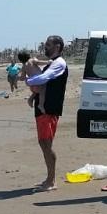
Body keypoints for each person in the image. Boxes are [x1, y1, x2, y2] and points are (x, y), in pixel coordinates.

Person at [25, 36, 68, 191]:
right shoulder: (52, 63)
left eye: (48, 45)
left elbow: (44, 79)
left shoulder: (59, 63)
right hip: (42, 108)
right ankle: (49, 179)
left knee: (46, 143)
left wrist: (27, 81)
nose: (46, 47)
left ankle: (51, 181)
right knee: (44, 143)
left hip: (50, 109)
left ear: (57, 46)